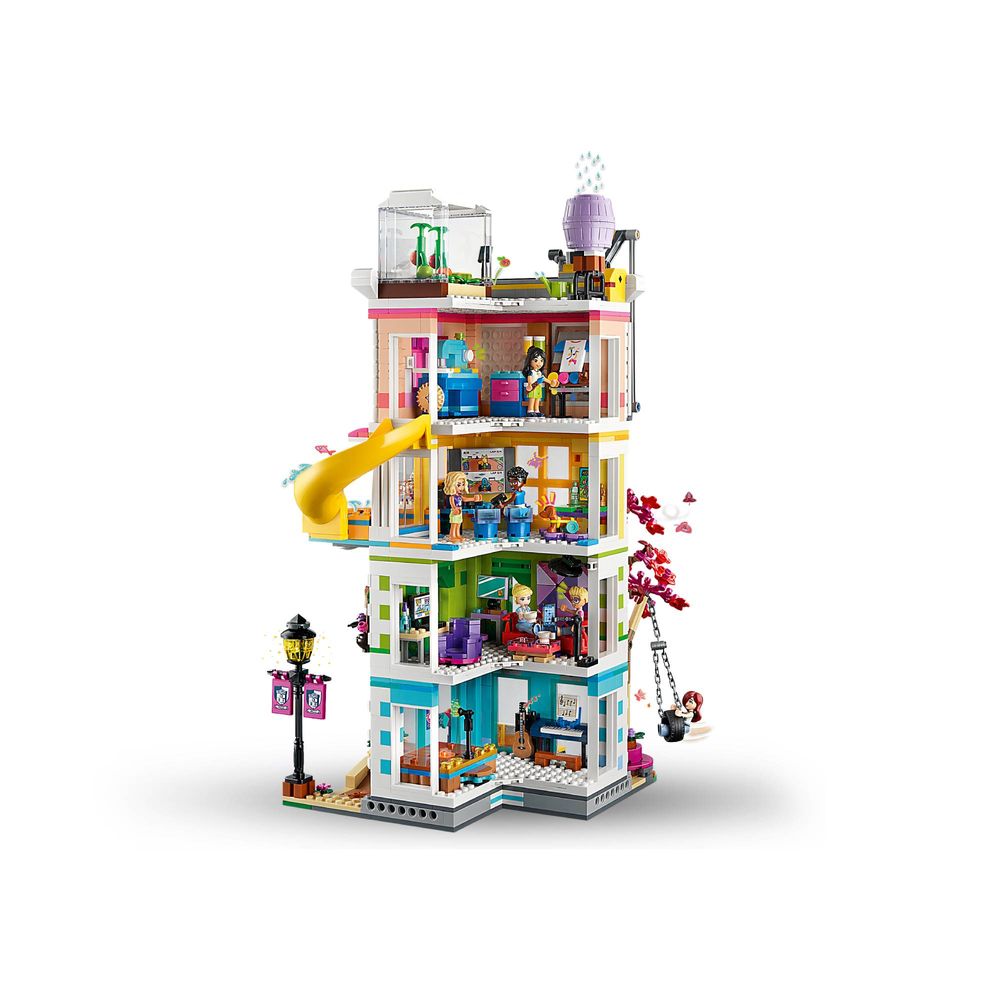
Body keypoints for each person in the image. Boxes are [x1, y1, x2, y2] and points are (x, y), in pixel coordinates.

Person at [442, 471, 481, 543]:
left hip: (459, 510)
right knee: (454, 524)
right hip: (455, 511)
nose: (461, 487)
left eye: (463, 484)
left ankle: (457, 535)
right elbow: (452, 504)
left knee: (458, 523)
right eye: (458, 485)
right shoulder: (452, 496)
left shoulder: (459, 496)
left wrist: (473, 499)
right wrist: (454, 508)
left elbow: (465, 499)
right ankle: (452, 536)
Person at [522, 346, 548, 418]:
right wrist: (529, 384)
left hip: (538, 387)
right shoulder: (531, 372)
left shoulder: (539, 372)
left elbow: (543, 378)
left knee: (537, 399)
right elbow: (529, 378)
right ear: (529, 361)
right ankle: (530, 410)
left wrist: (550, 382)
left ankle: (537, 411)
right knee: (532, 398)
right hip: (533, 386)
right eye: (536, 360)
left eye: (541, 360)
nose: (539, 363)